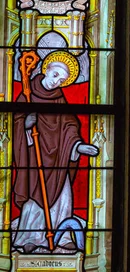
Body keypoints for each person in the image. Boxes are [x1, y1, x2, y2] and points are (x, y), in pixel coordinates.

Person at [13, 50, 99, 253]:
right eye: (54, 75)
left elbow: (70, 125)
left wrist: (77, 146)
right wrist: (25, 125)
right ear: (46, 69)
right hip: (34, 158)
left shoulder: (59, 99)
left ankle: (61, 238)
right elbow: (14, 121)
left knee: (63, 197)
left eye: (61, 80)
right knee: (34, 199)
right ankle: (31, 237)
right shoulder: (27, 93)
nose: (56, 82)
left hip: (58, 159)